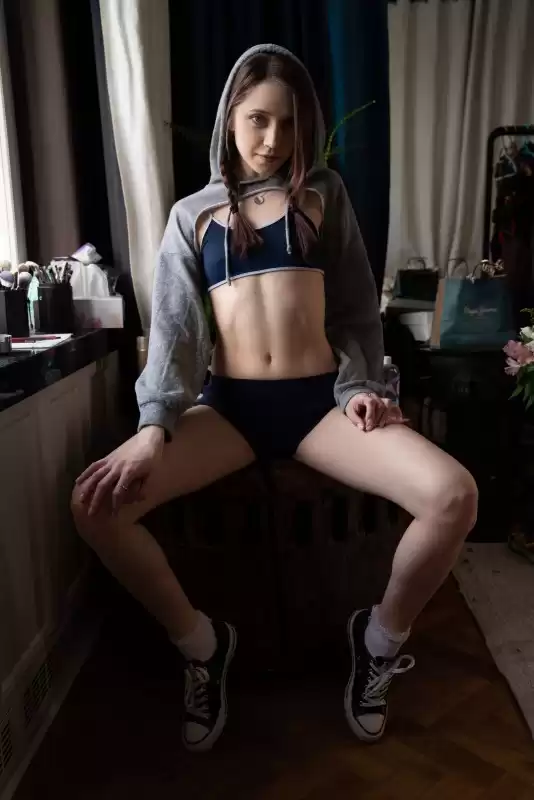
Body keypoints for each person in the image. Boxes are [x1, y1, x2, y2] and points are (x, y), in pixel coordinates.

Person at [71, 44, 478, 753]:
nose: (272, 139)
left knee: (454, 496)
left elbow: (355, 309)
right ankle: (203, 647)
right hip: (228, 410)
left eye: (288, 123)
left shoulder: (324, 194)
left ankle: (378, 641)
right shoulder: (191, 216)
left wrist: (361, 387)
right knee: (93, 507)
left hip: (319, 408)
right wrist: (152, 428)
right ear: (231, 116)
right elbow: (174, 335)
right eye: (258, 119)